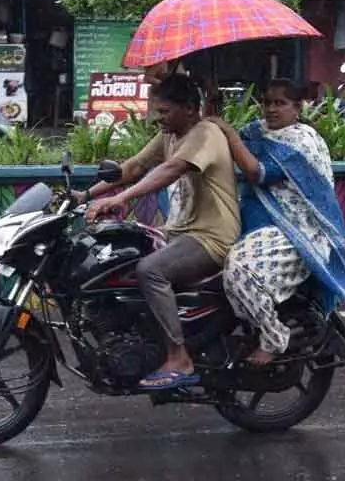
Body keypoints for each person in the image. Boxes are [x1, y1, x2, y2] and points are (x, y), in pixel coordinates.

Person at [83, 74, 240, 390]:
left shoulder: (205, 133)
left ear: (190, 108)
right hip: (180, 231)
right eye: (157, 111)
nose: (158, 118)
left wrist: (121, 198)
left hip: (212, 236)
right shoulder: (171, 134)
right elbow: (134, 166)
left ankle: (179, 357)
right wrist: (85, 196)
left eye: (165, 111)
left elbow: (172, 170)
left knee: (150, 271)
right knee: (125, 257)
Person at [208, 79, 345, 366]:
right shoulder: (259, 132)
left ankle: (275, 336)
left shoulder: (302, 141)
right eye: (266, 102)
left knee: (240, 270)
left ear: (297, 108)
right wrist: (212, 109)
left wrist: (230, 134)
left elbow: (258, 173)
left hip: (298, 232)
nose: (271, 109)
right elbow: (228, 145)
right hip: (261, 222)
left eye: (280, 103)